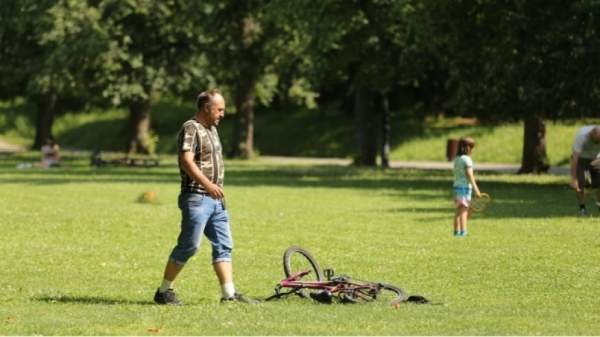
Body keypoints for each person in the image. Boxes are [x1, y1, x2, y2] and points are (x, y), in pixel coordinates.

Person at [154, 89, 253, 305]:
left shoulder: (212, 129)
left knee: (224, 245)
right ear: (206, 108)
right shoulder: (191, 128)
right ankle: (163, 292)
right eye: (219, 109)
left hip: (217, 201)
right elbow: (186, 160)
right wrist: (208, 185)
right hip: (197, 198)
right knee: (189, 245)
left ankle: (229, 295)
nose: (223, 114)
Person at [452, 137, 481, 237]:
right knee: (464, 211)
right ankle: (463, 232)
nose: (472, 150)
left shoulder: (457, 159)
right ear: (467, 148)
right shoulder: (467, 160)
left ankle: (456, 232)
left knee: (458, 210)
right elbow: (470, 175)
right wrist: (476, 188)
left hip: (456, 188)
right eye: (472, 148)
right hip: (464, 188)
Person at [569, 125, 600, 216]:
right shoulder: (582, 136)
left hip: (597, 158)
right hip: (581, 159)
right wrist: (573, 178)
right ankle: (582, 209)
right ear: (592, 135)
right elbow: (575, 158)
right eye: (597, 141)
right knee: (580, 184)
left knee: (599, 184)